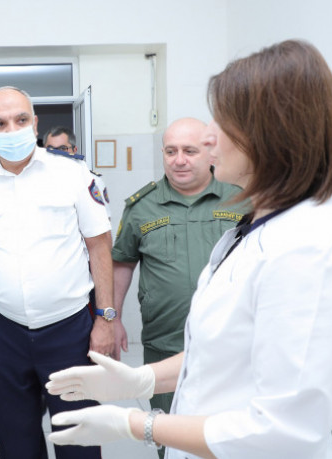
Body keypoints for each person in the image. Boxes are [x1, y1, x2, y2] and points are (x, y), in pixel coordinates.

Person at [44, 40, 332, 459]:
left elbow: (282, 430)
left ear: (270, 134)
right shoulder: (264, 224)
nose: (208, 137)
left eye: (221, 122)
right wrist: (143, 380)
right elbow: (224, 353)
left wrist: (136, 424)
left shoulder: (313, 248)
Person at [0, 86, 115, 459]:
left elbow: (99, 246)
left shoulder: (72, 174)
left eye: (21, 119)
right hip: (6, 331)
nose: (12, 130)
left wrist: (106, 319)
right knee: (18, 440)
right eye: (0, 123)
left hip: (69, 329)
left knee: (79, 438)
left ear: (35, 124)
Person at [110, 117, 243, 432]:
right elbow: (122, 262)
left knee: (227, 435)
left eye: (189, 151)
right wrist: (113, 318)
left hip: (231, 343)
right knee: (167, 432)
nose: (179, 160)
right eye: (171, 151)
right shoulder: (141, 206)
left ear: (210, 152)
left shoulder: (242, 200)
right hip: (165, 341)